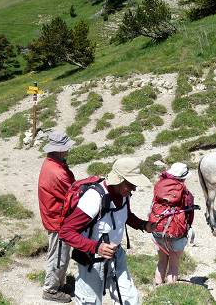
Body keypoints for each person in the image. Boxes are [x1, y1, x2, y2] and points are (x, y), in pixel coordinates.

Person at [58, 157, 153, 305]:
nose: (134, 189)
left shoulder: (124, 194)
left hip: (116, 254)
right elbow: (66, 232)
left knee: (130, 300)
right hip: (92, 259)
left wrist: (144, 225)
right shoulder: (94, 198)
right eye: (130, 184)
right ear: (119, 180)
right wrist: (96, 247)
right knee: (90, 302)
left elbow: (125, 215)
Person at [37, 130, 77, 303]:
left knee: (62, 253)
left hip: (55, 216)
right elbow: (73, 193)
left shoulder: (51, 163)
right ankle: (51, 290)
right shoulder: (57, 172)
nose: (68, 150)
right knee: (58, 254)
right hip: (57, 220)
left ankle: (59, 284)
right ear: (60, 150)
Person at [150, 162, 194, 286]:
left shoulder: (159, 185)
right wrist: (188, 227)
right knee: (174, 264)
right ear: (183, 177)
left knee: (161, 261)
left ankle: (157, 287)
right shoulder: (185, 192)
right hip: (176, 231)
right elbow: (190, 214)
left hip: (157, 228)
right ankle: (170, 289)